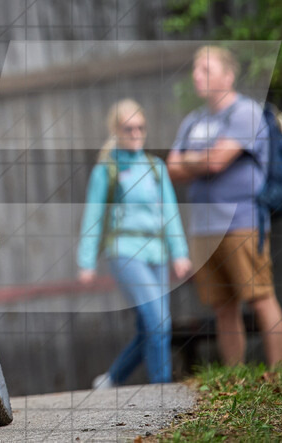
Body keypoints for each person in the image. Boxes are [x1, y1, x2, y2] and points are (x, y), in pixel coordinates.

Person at [167, 46, 282, 367]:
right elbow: (171, 168)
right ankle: (235, 377)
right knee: (223, 306)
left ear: (228, 76)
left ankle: (277, 374)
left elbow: (217, 161)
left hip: (242, 223)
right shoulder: (193, 120)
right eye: (195, 69)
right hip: (204, 228)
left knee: (260, 297)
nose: (197, 76)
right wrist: (203, 160)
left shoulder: (246, 112)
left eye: (206, 69)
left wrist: (193, 160)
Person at [78, 99, 191, 388]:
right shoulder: (107, 169)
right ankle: (163, 388)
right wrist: (86, 262)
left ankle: (111, 380)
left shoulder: (155, 167)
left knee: (149, 327)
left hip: (157, 252)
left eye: (140, 128)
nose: (136, 133)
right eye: (129, 128)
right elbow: (93, 215)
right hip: (126, 251)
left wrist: (179, 253)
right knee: (159, 322)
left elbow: (170, 212)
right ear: (116, 130)